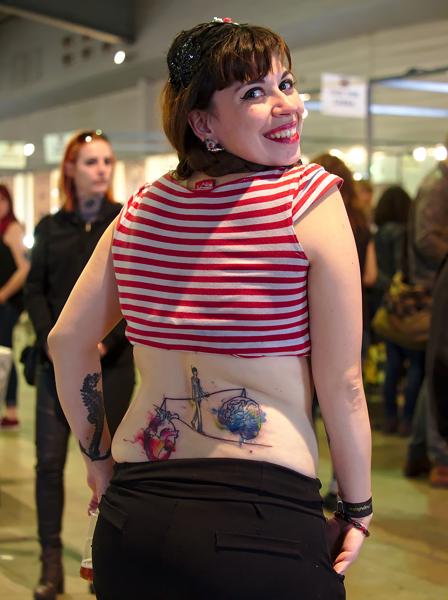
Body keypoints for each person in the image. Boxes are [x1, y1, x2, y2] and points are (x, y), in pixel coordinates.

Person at [48, 20, 372, 600]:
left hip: (134, 518)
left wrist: (97, 459)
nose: (287, 106)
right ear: (202, 123)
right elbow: (343, 384)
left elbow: (67, 342)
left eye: (286, 84)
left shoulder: (141, 209)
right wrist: (356, 508)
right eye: (254, 93)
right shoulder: (307, 199)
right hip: (262, 523)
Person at [24, 131, 135, 600]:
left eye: (107, 161)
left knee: (113, 469)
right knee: (49, 466)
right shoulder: (51, 228)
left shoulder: (126, 221)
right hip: (56, 369)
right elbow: (35, 289)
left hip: (113, 366)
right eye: (91, 162)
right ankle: (51, 565)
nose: (102, 170)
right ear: (70, 168)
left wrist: (104, 341)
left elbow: (137, 292)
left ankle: (105, 565)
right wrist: (56, 344)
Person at [310, 154, 376, 511]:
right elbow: (370, 275)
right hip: (352, 323)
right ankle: (342, 485)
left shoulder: (310, 218)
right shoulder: (360, 224)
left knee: (308, 408)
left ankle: (307, 477)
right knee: (346, 404)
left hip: (310, 327)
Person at [404, 137, 448, 487]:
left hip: (434, 284)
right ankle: (438, 456)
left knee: (433, 372)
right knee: (437, 369)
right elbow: (425, 239)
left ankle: (421, 450)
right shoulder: (438, 186)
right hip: (432, 287)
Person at [373, 186, 424, 436]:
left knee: (392, 365)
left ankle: (390, 417)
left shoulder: (379, 233)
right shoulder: (402, 232)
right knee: (415, 364)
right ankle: (407, 419)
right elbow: (401, 268)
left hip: (386, 305)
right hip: (404, 304)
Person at [0, 183, 30, 430]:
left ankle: (11, 410)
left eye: (2, 201)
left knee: (5, 354)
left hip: (9, 304)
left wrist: (3, 294)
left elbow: (24, 269)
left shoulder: (12, 229)